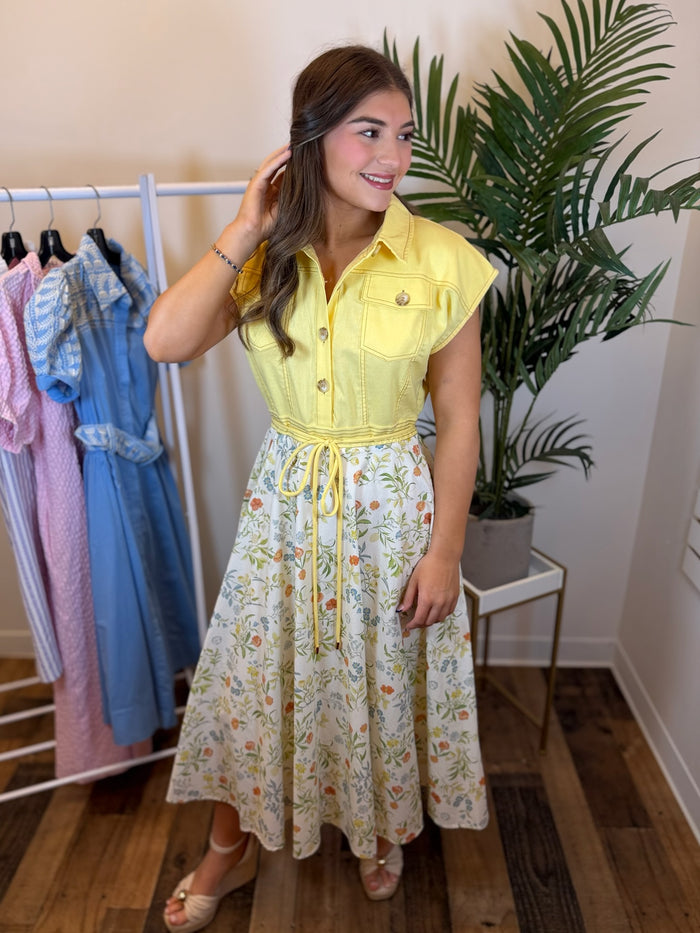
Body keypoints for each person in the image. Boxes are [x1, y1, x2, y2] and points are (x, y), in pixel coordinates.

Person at [145, 44, 497, 933]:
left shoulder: (443, 260)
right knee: (260, 683)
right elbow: (166, 341)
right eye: (367, 131)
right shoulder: (267, 256)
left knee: (378, 679)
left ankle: (376, 831)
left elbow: (458, 418)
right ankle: (230, 846)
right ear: (309, 139)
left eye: (403, 136)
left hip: (393, 514)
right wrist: (245, 224)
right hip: (287, 509)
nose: (391, 156)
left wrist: (446, 550)